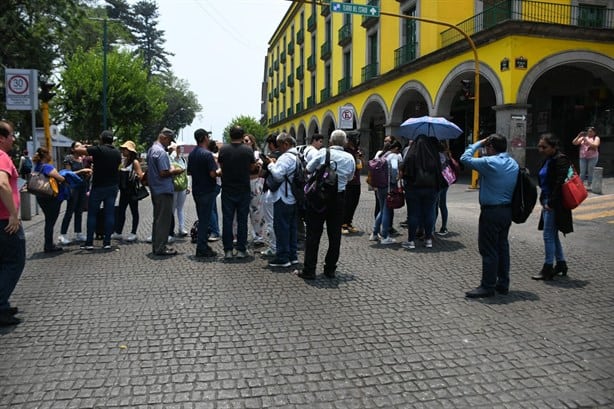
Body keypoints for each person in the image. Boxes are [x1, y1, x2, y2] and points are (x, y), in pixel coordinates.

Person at [460, 133, 519, 298]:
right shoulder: (512, 163)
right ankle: (503, 283)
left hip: (491, 212)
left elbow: (465, 158)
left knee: (489, 249)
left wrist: (477, 143)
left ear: (491, 147)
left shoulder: (490, 162)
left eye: (487, 146)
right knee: (502, 248)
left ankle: (487, 286)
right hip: (506, 211)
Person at [297, 129, 355, 280]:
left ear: (330, 141)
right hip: (339, 198)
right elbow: (350, 178)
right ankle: (330, 269)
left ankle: (309, 270)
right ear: (345, 142)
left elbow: (308, 169)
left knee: (313, 234)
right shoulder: (350, 158)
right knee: (335, 235)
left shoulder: (323, 153)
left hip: (319, 197)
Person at [532, 134, 573, 280]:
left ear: (554, 147)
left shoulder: (560, 160)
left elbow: (559, 183)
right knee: (552, 234)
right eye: (539, 146)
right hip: (548, 200)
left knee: (548, 235)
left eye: (544, 147)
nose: (540, 149)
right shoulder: (548, 159)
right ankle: (561, 264)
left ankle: (548, 268)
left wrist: (550, 203)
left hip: (555, 203)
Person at [74, 130, 122, 250]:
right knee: (109, 214)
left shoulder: (98, 149)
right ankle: (107, 242)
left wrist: (86, 145)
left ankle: (89, 242)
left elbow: (78, 151)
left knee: (92, 214)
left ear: (101, 139)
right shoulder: (117, 152)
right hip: (112, 186)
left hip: (98, 186)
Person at [0, 120, 26, 327]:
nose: (13, 139)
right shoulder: (2, 157)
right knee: (14, 261)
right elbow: (1, 183)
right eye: (11, 136)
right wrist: (13, 214)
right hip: (4, 221)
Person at [218, 125, 256, 259]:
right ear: (242, 135)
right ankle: (241, 249)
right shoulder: (247, 150)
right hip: (243, 189)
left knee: (227, 220)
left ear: (230, 135)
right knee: (242, 220)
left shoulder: (223, 150)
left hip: (228, 188)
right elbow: (252, 167)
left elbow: (221, 167)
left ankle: (228, 250)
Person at [263, 132, 299, 267]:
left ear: (286, 144)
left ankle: (283, 257)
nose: (278, 149)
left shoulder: (286, 157)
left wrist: (271, 164)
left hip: (283, 196)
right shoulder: (298, 156)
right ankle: (292, 255)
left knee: (282, 227)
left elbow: (278, 176)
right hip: (293, 196)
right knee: (292, 228)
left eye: (279, 145)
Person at [400, 136, 442, 249]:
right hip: (431, 189)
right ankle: (428, 239)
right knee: (429, 213)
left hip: (413, 189)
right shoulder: (434, 156)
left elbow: (404, 171)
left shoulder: (411, 155)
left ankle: (411, 241)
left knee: (413, 214)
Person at [147, 127, 183, 256]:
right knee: (163, 220)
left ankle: (157, 246)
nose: (169, 143)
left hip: (156, 189)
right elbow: (163, 172)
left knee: (157, 219)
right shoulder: (161, 152)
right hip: (163, 189)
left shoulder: (152, 150)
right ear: (163, 137)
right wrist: (176, 171)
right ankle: (160, 248)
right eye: (169, 140)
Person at [187, 129, 219, 258]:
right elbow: (213, 173)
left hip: (197, 190)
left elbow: (189, 172)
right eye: (208, 136)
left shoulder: (192, 154)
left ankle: (203, 245)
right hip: (207, 190)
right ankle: (202, 247)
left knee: (202, 218)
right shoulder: (207, 154)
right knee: (205, 221)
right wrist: (220, 171)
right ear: (204, 138)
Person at [31, 147, 66, 253]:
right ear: (46, 155)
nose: (50, 156)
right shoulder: (47, 167)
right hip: (50, 197)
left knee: (48, 220)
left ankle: (48, 243)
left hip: (41, 196)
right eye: (49, 154)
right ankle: (49, 245)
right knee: (50, 221)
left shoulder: (37, 167)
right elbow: (61, 178)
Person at [370, 140, 403, 245]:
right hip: (388, 186)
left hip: (380, 186)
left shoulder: (383, 154)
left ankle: (375, 233)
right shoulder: (394, 156)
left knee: (382, 209)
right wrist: (395, 179)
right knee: (387, 210)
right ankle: (384, 236)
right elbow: (393, 168)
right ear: (396, 148)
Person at [58, 142, 92, 244]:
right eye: (77, 146)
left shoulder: (82, 158)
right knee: (70, 210)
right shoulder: (69, 158)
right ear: (72, 149)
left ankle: (78, 233)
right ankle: (62, 234)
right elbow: (67, 173)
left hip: (82, 186)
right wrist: (82, 171)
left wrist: (88, 174)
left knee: (79, 210)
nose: (80, 147)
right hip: (73, 188)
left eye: (81, 146)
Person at [111, 141, 144, 242]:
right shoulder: (124, 161)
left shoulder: (135, 162)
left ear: (130, 151)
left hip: (132, 190)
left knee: (134, 211)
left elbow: (140, 175)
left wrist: (134, 176)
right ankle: (118, 232)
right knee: (121, 211)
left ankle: (133, 232)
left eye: (125, 149)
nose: (123, 151)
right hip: (124, 190)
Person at [259, 133, 281, 257]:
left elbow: (261, 174)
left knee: (271, 220)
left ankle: (273, 247)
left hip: (270, 191)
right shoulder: (286, 156)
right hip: (285, 194)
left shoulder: (270, 158)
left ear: (271, 144)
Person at [243, 133, 265, 245]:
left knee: (256, 210)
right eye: (243, 141)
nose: (244, 142)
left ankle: (258, 236)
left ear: (252, 142)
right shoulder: (241, 153)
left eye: (246, 140)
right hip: (243, 183)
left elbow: (260, 167)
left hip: (255, 183)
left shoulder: (256, 153)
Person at [341, 131, 363, 234]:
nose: (357, 141)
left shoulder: (356, 150)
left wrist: (359, 158)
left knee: (354, 203)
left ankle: (349, 223)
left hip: (356, 181)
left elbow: (360, 165)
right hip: (348, 182)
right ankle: (343, 224)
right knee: (346, 203)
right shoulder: (345, 151)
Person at [169, 143, 189, 237]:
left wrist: (188, 186)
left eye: (180, 148)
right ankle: (170, 229)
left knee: (180, 208)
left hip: (182, 186)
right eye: (178, 148)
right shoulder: (171, 158)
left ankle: (181, 228)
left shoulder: (183, 159)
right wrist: (173, 153)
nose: (180, 149)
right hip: (173, 186)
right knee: (172, 208)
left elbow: (186, 174)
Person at [207, 139, 221, 242]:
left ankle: (215, 231)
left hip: (214, 183)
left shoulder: (211, 156)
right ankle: (215, 229)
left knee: (210, 208)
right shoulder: (216, 155)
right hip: (218, 183)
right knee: (213, 208)